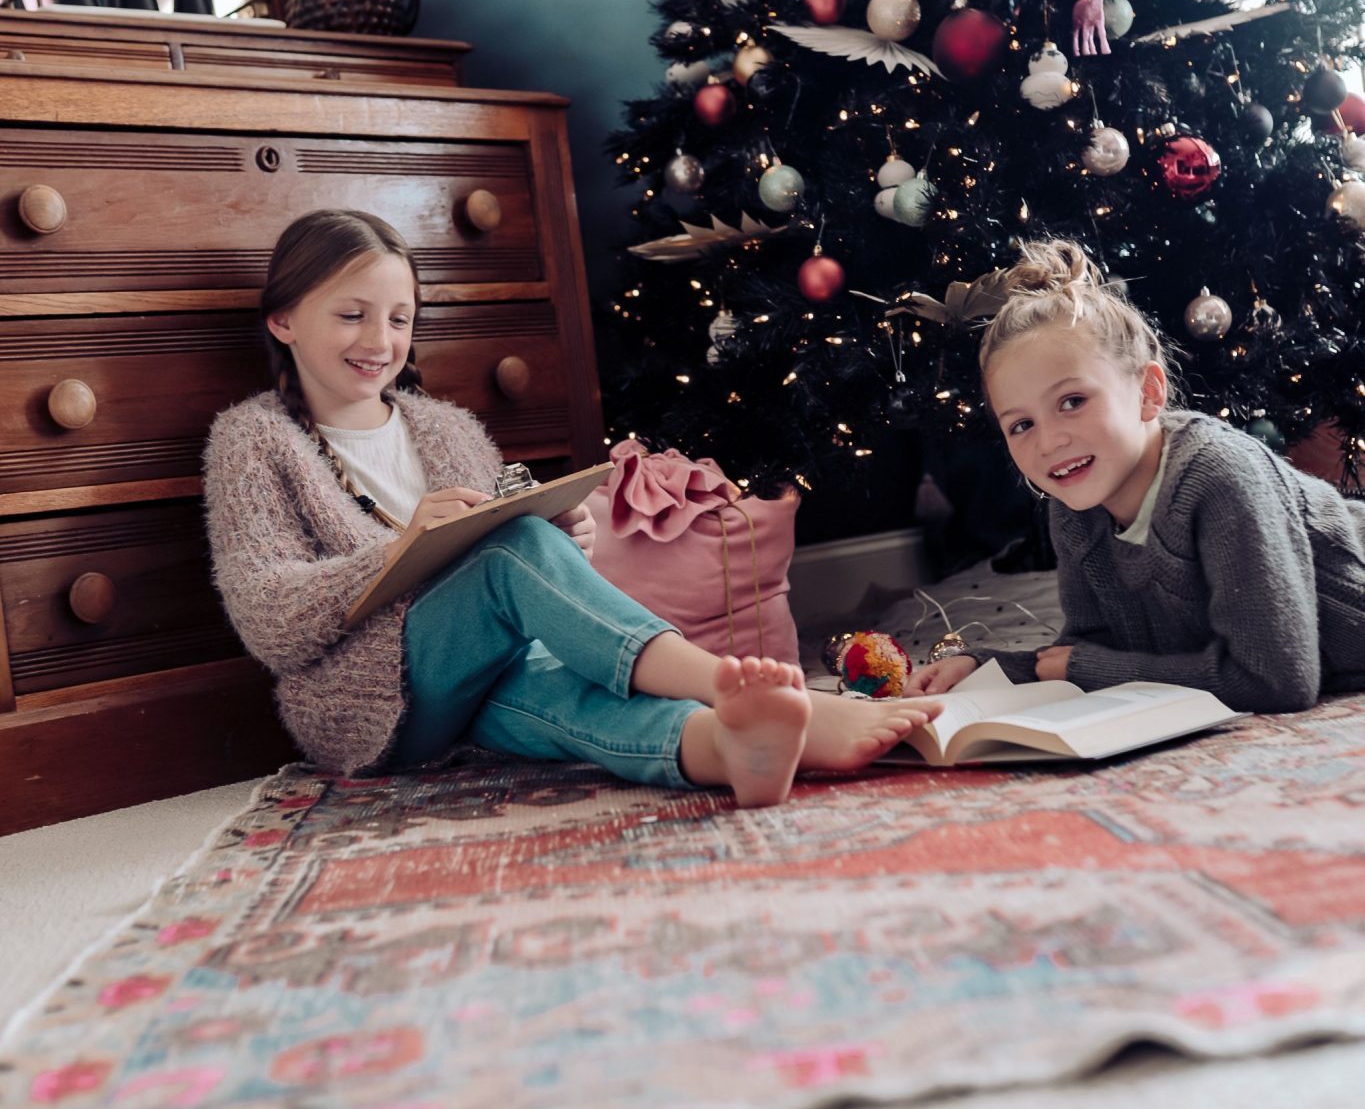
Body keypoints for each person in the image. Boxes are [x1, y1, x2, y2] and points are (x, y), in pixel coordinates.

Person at [203, 209, 940, 806]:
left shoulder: (445, 428)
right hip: (363, 705)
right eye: (352, 315)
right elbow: (266, 618)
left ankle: (733, 746)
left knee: (567, 696)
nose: (380, 341)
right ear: (284, 321)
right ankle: (719, 679)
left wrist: (569, 539)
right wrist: (398, 552)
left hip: (487, 680)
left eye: (399, 319)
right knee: (509, 551)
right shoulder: (254, 440)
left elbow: (518, 576)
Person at [906, 238, 1365, 714]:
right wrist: (986, 666)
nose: (1048, 443)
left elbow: (1276, 681)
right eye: (1021, 425)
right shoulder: (1074, 507)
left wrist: (1084, 668)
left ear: (1148, 391)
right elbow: (1091, 651)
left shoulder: (1220, 476)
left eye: (1072, 402)